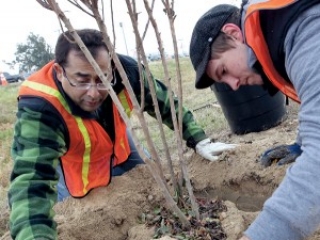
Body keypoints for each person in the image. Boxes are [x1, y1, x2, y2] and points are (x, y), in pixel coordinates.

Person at [8, 28, 237, 240]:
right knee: (72, 212)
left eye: (102, 79)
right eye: (82, 79)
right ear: (60, 72)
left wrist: (198, 139)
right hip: (73, 160)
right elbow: (31, 184)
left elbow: (165, 103)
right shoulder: (41, 106)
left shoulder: (127, 73)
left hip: (119, 144)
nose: (93, 92)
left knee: (154, 184)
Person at [189, 1, 320, 240]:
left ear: (233, 34)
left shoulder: (306, 32)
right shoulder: (284, 32)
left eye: (223, 71)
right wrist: (301, 144)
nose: (233, 85)